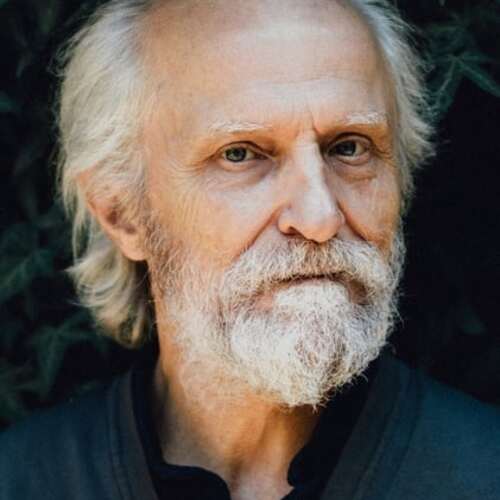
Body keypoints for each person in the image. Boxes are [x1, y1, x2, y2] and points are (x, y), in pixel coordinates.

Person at [1, 0, 499, 499]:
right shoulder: (24, 480)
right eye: (239, 154)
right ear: (122, 214)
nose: (319, 217)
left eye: (349, 147)